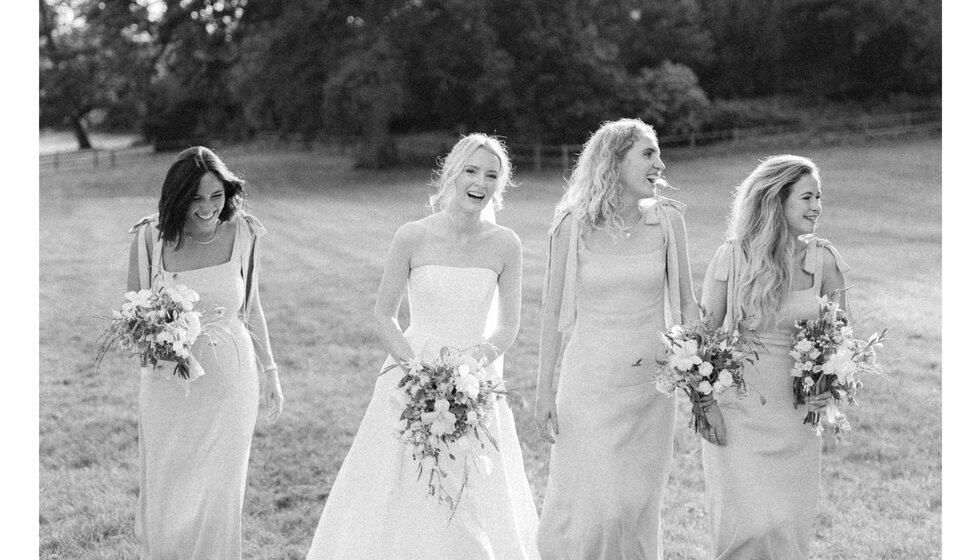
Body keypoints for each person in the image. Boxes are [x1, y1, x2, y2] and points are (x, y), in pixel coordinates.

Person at [306, 134, 539, 560]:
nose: (480, 182)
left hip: (475, 381)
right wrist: (420, 375)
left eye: (492, 175)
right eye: (471, 170)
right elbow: (384, 315)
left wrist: (468, 373)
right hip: (411, 374)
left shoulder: (506, 244)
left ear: (499, 186)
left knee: (474, 483)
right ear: (452, 173)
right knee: (399, 480)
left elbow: (508, 327)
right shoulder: (412, 236)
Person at [534, 118, 698, 560]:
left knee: (634, 509)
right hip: (588, 386)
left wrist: (701, 379)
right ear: (614, 160)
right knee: (596, 509)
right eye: (648, 153)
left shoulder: (667, 222)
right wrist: (543, 388)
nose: (660, 164)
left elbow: (687, 306)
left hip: (652, 392)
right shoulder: (573, 225)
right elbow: (551, 312)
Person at [127, 146, 284, 559]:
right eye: (196, 198)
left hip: (232, 381)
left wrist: (271, 371)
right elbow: (134, 315)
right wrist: (162, 339)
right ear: (177, 197)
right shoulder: (149, 237)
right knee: (169, 484)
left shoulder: (244, 232)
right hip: (168, 382)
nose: (208, 208)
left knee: (221, 488)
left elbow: (250, 307)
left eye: (216, 196)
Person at [699, 154, 848, 559]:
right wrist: (704, 404)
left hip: (797, 416)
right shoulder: (731, 256)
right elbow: (704, 338)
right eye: (806, 198)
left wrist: (828, 388)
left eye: (818, 197)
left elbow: (842, 342)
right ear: (775, 201)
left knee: (785, 529)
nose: (816, 206)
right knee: (745, 528)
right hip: (737, 412)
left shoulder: (824, 260)